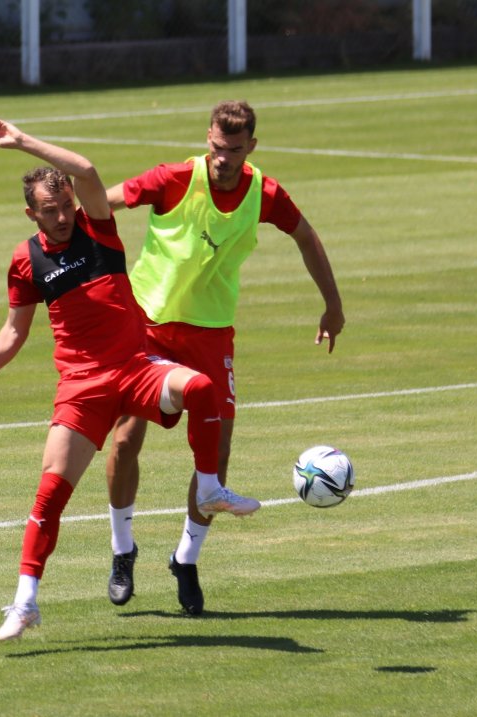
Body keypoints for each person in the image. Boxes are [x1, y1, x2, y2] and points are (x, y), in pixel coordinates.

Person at [0, 118, 261, 641]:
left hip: (134, 368)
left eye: (66, 204)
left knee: (201, 389)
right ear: (31, 214)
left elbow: (88, 171)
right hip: (82, 386)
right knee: (50, 494)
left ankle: (208, 490)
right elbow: (13, 331)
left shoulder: (97, 227)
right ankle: (25, 603)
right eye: (51, 210)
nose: (64, 216)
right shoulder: (27, 261)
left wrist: (21, 141)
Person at [106, 100, 345, 615]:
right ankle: (123, 551)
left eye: (234, 151)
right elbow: (103, 204)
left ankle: (186, 559)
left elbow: (306, 236)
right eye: (217, 147)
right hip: (147, 324)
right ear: (207, 138)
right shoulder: (173, 178)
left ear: (251, 148)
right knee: (126, 437)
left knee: (219, 452)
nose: (223, 159)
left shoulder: (265, 192)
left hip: (212, 334)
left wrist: (333, 304)